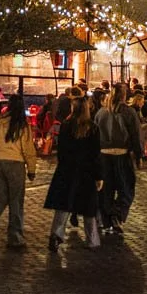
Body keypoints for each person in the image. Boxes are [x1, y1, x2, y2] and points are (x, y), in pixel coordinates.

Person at [44, 95, 103, 250]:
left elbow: (61, 150)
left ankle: (56, 234)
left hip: (68, 170)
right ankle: (92, 239)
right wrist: (98, 176)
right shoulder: (93, 128)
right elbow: (95, 154)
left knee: (64, 204)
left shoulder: (66, 125)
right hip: (86, 171)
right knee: (89, 208)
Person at [0, 95, 37, 248]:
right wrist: (31, 169)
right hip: (15, 163)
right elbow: (28, 149)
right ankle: (15, 237)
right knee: (16, 201)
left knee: (0, 197)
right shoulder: (22, 125)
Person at [94, 84, 143, 235]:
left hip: (103, 155)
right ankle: (117, 213)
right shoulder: (129, 112)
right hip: (121, 155)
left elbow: (94, 135)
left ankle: (107, 219)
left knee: (106, 190)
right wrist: (139, 155)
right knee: (126, 188)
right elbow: (136, 134)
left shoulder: (101, 112)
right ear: (124, 96)